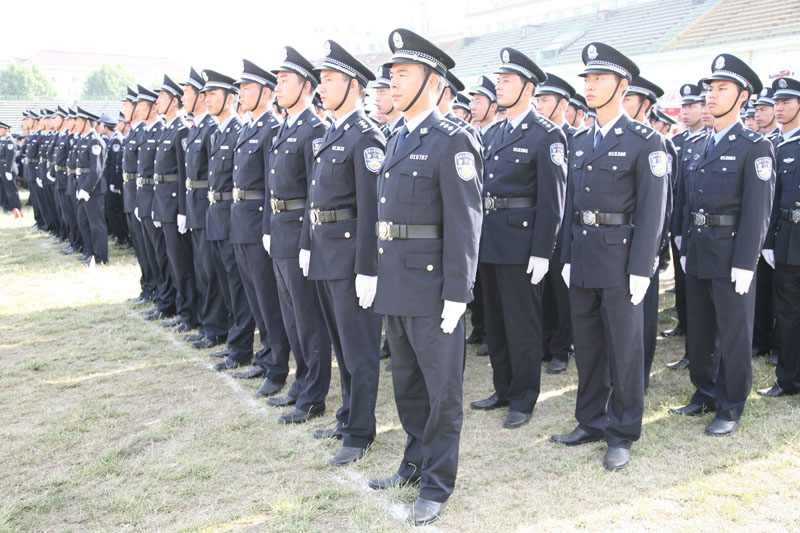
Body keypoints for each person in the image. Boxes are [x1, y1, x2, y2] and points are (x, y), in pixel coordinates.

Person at [366, 28, 482, 526]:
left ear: (433, 83)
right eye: (391, 74)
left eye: (404, 74)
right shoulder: (396, 136)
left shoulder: (453, 139)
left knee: (441, 392)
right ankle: (413, 463)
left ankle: (436, 483)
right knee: (408, 384)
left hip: (434, 289)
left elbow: (466, 221)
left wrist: (458, 292)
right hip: (396, 281)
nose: (393, 83)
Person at [551, 43, 667, 471]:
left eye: (599, 79)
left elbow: (653, 211)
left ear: (622, 86)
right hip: (584, 256)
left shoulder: (645, 141)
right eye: (587, 79)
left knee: (625, 350)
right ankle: (590, 420)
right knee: (588, 346)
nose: (590, 86)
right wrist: (566, 255)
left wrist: (642, 267)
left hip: (620, 261)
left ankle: (622, 431)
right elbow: (570, 204)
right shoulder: (581, 140)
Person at [671, 53, 775, 437]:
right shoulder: (699, 144)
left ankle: (731, 404)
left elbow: (758, 210)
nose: (711, 96)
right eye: (711, 89)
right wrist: (684, 245)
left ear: (743, 96)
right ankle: (705, 392)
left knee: (733, 333)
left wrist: (747, 261)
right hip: (700, 249)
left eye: (722, 88)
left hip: (731, 252)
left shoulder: (754, 146)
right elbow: (688, 200)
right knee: (700, 331)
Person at [469, 48, 566, 428]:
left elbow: (552, 201)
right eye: (499, 80)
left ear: (528, 88)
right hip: (491, 240)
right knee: (495, 323)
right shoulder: (493, 133)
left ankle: (523, 398)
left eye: (507, 81)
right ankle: (503, 387)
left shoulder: (546, 134)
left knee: (521, 324)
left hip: (522, 245)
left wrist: (542, 252)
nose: (499, 86)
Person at [303, 39, 384, 465]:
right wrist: (306, 243)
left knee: (359, 350)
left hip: (351, 258)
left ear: (353, 85)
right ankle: (347, 416)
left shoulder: (365, 136)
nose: (321, 87)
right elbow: (315, 196)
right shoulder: (332, 131)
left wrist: (368, 268)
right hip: (325, 252)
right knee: (341, 346)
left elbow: (372, 209)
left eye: (329, 79)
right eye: (321, 79)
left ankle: (360, 431)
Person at [264, 47, 332, 424]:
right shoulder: (285, 126)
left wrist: (306, 242)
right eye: (277, 81)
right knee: (291, 318)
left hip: (299, 234)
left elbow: (314, 193)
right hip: (280, 231)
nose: (277, 87)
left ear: (306, 86)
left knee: (309, 320)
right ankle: (301, 382)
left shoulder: (314, 130)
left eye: (284, 80)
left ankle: (313, 396)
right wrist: (267, 229)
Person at [622, 75, 674, 390]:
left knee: (643, 313)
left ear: (645, 105)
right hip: (615, 245)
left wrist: (658, 248)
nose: (622, 103)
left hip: (644, 242)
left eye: (629, 98)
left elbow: (663, 205)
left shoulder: (658, 144)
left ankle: (640, 374)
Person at [181, 68, 230, 351]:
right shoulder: (198, 127)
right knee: (202, 269)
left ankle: (215, 326)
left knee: (211, 272)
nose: (183, 98)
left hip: (207, 203)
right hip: (197, 203)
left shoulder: (211, 128)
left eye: (187, 93)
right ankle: (207, 323)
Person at [760, 76, 800, 397]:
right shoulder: (773, 146)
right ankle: (788, 379)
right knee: (787, 312)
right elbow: (770, 201)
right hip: (787, 239)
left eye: (787, 102)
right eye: (777, 103)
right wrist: (769, 241)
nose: (780, 108)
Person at [534, 71, 577, 374]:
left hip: (566, 227)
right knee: (542, 290)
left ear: (562, 104)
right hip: (540, 225)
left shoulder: (575, 139)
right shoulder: (538, 136)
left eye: (545, 100)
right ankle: (545, 342)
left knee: (563, 292)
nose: (539, 105)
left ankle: (561, 348)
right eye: (537, 100)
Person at [152, 75, 198, 333]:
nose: (158, 102)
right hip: (164, 203)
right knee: (171, 260)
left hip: (174, 204)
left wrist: (182, 209)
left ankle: (189, 311)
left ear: (173, 101)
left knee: (182, 262)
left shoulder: (181, 130)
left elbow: (182, 173)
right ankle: (182, 308)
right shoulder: (168, 129)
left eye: (162, 97)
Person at [73, 107, 108, 266]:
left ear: (87, 122)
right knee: (83, 221)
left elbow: (96, 170)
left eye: (78, 121)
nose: (75, 123)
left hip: (93, 189)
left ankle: (100, 257)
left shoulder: (95, 141)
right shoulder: (84, 139)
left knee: (96, 224)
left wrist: (86, 189)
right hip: (83, 187)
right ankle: (90, 252)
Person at [0, 120, 22, 217]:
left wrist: (8, 170)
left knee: (11, 191)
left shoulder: (10, 141)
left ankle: (16, 209)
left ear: (6, 130)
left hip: (8, 168)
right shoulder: (3, 140)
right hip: (2, 168)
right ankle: (6, 207)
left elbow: (10, 157)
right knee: (3, 190)